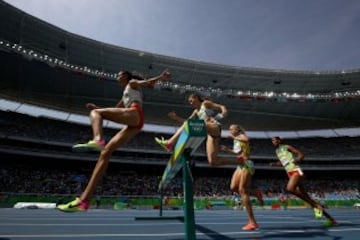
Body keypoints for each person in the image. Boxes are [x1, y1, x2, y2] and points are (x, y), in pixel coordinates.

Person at [57, 69, 171, 212]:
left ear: (126, 76)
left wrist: (161, 76)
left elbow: (147, 83)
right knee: (105, 153)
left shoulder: (132, 83)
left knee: (95, 114)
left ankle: (98, 140)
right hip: (135, 122)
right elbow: (115, 110)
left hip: (134, 114)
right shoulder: (126, 94)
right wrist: (98, 109)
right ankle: (84, 201)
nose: (117, 76)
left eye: (119, 74)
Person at [155, 94, 242, 166]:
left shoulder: (205, 103)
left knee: (190, 124)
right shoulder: (196, 111)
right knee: (213, 162)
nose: (190, 103)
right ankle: (239, 161)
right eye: (189, 102)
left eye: (191, 100)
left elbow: (221, 106)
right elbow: (187, 123)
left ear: (196, 98)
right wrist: (176, 118)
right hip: (209, 134)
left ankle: (170, 143)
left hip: (214, 127)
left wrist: (223, 113)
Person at [270, 136, 338, 227]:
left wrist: (297, 160)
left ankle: (315, 205)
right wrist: (275, 164)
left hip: (296, 171)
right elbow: (283, 163)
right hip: (290, 173)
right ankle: (331, 219)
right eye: (272, 141)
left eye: (274, 140)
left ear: (279, 140)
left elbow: (301, 154)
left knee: (289, 188)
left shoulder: (286, 147)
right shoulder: (277, 152)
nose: (273, 142)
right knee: (307, 199)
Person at [220, 124, 261, 231]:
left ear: (237, 129)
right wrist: (228, 150)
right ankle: (256, 193)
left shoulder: (241, 135)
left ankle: (253, 223)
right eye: (229, 129)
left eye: (231, 129)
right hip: (240, 165)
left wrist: (233, 137)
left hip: (247, 164)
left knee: (242, 190)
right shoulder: (236, 140)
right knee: (233, 187)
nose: (230, 131)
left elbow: (247, 139)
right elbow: (237, 152)